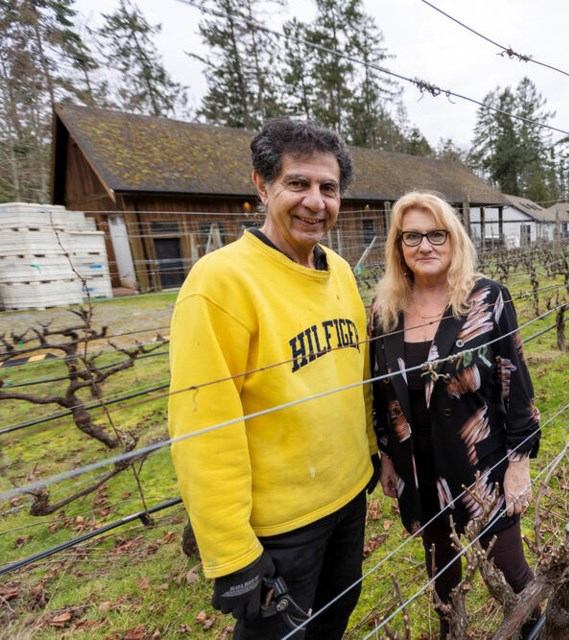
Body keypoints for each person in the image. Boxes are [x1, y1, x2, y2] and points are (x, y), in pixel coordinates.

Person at [167, 118, 377, 639]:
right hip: (280, 528)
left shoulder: (341, 273)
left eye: (328, 188)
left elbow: (356, 378)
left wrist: (370, 452)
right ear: (262, 186)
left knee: (332, 622)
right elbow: (202, 427)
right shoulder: (220, 282)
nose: (315, 202)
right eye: (298, 183)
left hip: (347, 498)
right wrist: (231, 550)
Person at [369, 191, 541, 637]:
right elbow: (380, 391)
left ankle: (539, 629)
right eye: (412, 236)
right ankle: (453, 632)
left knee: (509, 569)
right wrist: (386, 454)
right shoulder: (384, 310)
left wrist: (518, 464)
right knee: (441, 576)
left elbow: (515, 383)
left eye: (436, 234)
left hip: (480, 464)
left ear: (454, 238)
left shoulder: (486, 299)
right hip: (417, 466)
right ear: (398, 246)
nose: (424, 246)